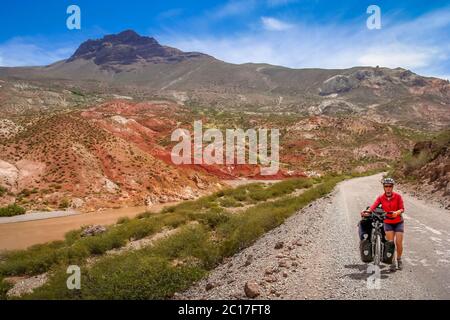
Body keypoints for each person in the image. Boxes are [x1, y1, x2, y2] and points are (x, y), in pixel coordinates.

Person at [361, 177, 405, 271]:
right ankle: (392, 262)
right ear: (384, 187)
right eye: (386, 186)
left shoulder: (398, 196)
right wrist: (367, 211)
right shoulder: (381, 197)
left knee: (399, 243)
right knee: (391, 244)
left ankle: (399, 259)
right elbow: (373, 206)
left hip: (398, 222)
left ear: (392, 187)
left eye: (390, 186)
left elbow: (402, 209)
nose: (388, 188)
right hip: (388, 223)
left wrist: (397, 212)